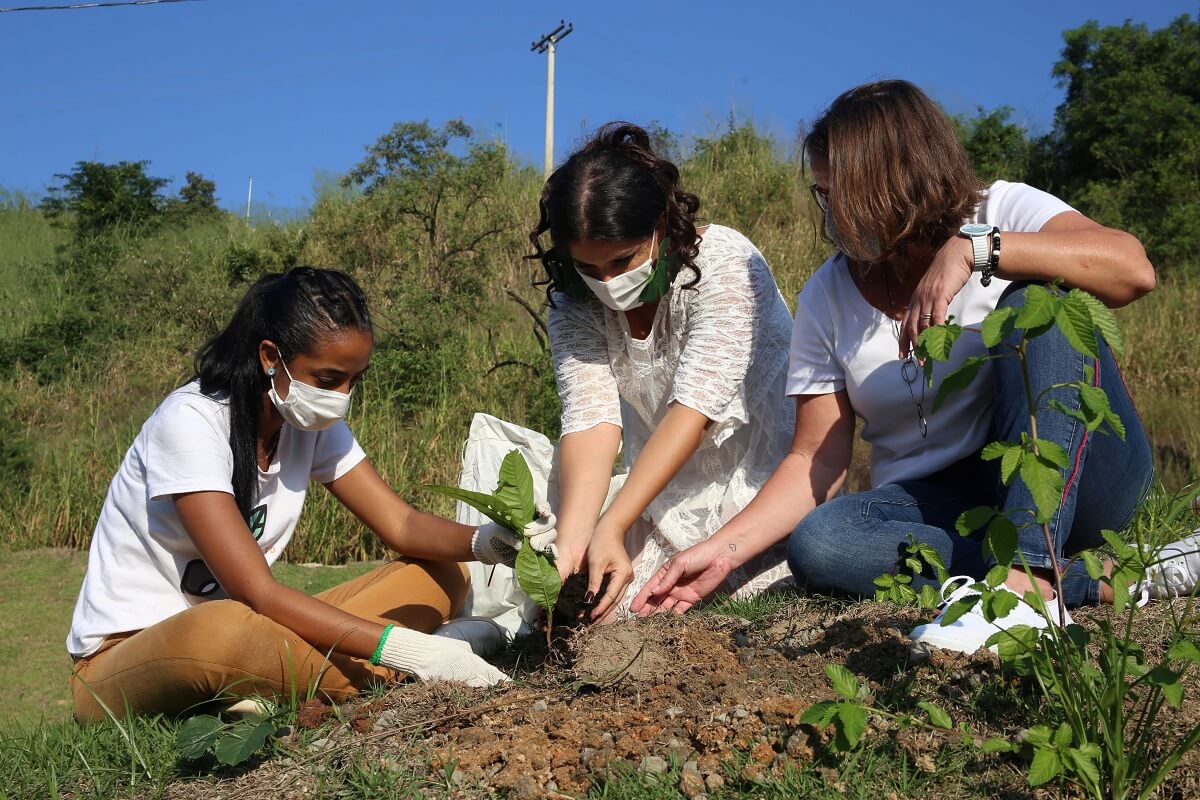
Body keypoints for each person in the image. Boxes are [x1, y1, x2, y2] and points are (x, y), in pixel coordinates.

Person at [632, 80, 1200, 652]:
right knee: (824, 545)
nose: (833, 217)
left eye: (845, 197)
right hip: (948, 503)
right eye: (823, 195)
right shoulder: (827, 295)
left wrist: (976, 249)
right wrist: (721, 550)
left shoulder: (1002, 207)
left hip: (1082, 472)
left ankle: (1029, 588)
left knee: (1040, 305)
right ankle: (1093, 578)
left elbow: (1132, 270)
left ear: (901, 180)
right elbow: (816, 458)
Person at [67, 267, 534, 721]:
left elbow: (402, 525)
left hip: (258, 630)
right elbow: (258, 591)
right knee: (220, 633)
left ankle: (271, 687)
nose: (342, 397)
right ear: (271, 357)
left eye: (355, 380)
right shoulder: (191, 421)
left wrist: (486, 542)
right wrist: (410, 649)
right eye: (329, 380)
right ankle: (428, 658)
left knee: (442, 575)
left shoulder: (307, 420)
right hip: (138, 652)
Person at [529, 122, 796, 622]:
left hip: (762, 470)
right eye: (590, 268)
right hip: (663, 483)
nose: (607, 283)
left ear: (660, 226)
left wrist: (613, 525)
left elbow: (694, 409)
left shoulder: (725, 265)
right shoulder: (573, 302)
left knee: (706, 600)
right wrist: (575, 537)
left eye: (622, 261)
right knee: (611, 606)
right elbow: (591, 421)